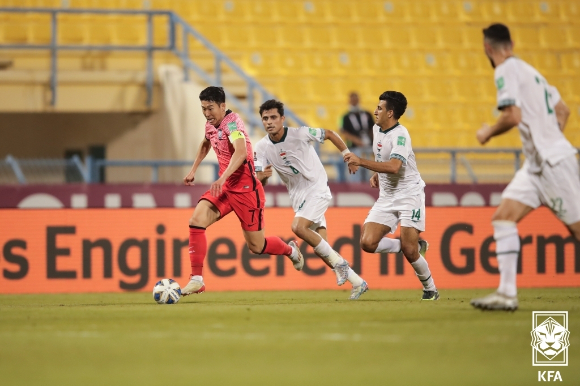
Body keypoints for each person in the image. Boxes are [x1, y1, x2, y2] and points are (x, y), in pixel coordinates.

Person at [470, 24, 580, 311]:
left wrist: (487, 133)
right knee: (503, 217)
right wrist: (550, 136)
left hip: (553, 164)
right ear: (512, 43)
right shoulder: (532, 72)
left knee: (577, 230)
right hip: (537, 165)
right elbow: (563, 110)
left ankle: (506, 293)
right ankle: (507, 294)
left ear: (487, 48)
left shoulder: (504, 69)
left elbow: (512, 116)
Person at [181, 87, 304, 295]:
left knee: (257, 247)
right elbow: (206, 142)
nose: (207, 113)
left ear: (222, 106)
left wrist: (222, 177)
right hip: (225, 187)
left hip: (246, 189)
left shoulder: (232, 124)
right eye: (203, 109)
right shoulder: (210, 124)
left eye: (210, 108)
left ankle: (291, 251)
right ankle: (196, 279)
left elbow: (240, 153)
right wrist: (193, 169)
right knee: (196, 220)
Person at [254, 99, 368, 300]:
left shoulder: (300, 133)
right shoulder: (261, 147)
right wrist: (261, 179)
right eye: (265, 118)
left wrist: (347, 154)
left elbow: (330, 134)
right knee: (323, 248)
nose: (269, 122)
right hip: (298, 198)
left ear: (282, 119)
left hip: (317, 189)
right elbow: (258, 182)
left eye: (273, 117)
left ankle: (340, 264)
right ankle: (358, 282)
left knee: (298, 227)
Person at [344, 91, 439, 301]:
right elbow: (383, 157)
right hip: (387, 196)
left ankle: (430, 288)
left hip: (409, 195)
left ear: (390, 113)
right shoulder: (376, 128)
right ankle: (411, 244)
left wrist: (361, 162)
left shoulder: (401, 135)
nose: (375, 111)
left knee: (410, 252)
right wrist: (377, 172)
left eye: (379, 108)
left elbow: (395, 166)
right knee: (367, 243)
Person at [339, 92, 374, 182]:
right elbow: (344, 132)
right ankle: (355, 186)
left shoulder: (366, 114)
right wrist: (357, 141)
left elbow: (372, 129)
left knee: (368, 168)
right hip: (354, 148)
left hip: (368, 146)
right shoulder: (345, 116)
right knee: (355, 171)